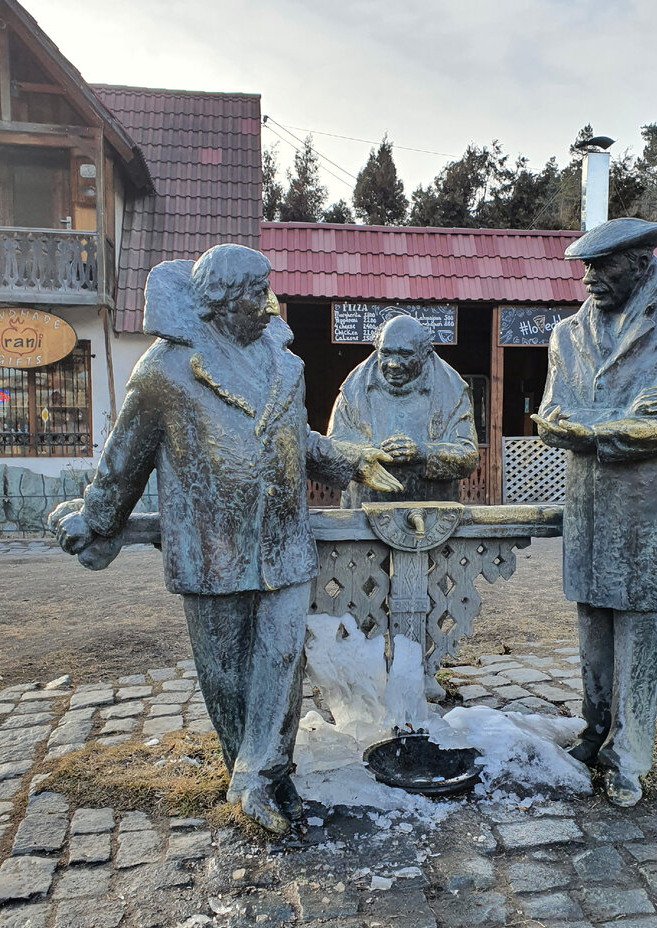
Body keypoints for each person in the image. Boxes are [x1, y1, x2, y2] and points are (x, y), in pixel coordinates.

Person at [52, 245, 399, 834]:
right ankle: (256, 770)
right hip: (212, 551)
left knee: (281, 659)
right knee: (225, 672)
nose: (268, 303)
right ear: (217, 301)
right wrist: (98, 518)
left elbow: (301, 443)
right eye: (253, 293)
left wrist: (351, 460)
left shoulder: (285, 364)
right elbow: (125, 456)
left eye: (268, 288)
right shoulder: (166, 370)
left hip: (283, 541)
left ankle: (259, 776)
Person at [532, 218, 657, 807]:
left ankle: (631, 754)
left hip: (645, 512)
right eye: (584, 268)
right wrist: (607, 419)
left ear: (638, 263)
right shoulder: (566, 335)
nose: (588, 280)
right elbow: (554, 413)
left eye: (601, 267)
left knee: (639, 628)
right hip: (588, 505)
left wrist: (587, 424)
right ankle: (597, 728)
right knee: (592, 626)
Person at [328, 314, 479, 507]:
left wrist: (422, 453)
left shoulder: (452, 391)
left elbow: (468, 457)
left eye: (405, 355)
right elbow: (332, 452)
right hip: (363, 513)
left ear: (425, 353)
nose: (393, 364)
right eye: (386, 353)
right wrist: (371, 453)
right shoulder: (352, 391)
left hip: (434, 517)